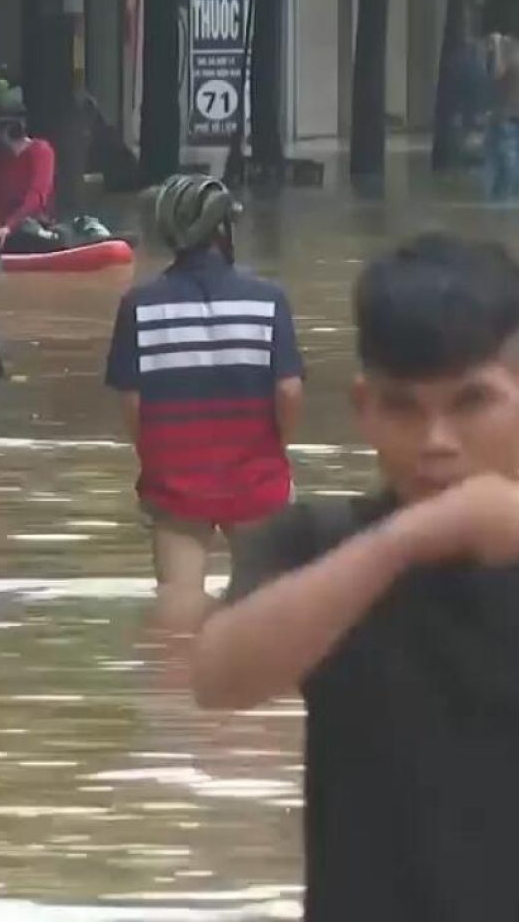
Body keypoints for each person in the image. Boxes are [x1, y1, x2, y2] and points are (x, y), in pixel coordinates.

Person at [193, 233, 519, 920]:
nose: (437, 441)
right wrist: (401, 541)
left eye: (471, 403)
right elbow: (220, 678)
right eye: (404, 407)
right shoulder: (314, 542)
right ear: (365, 408)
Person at [105, 174, 304, 630]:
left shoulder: (139, 306)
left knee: (176, 617)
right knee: (265, 617)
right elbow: (289, 392)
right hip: (258, 479)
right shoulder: (269, 301)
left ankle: (179, 699)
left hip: (175, 484)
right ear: (223, 232)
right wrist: (277, 449)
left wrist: (157, 461)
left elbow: (133, 405)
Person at [0, 90, 56, 250]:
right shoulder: (1, 159)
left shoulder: (40, 151)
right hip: (4, 234)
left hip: (33, 229)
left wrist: (10, 225)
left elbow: (37, 195)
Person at [485, 31, 519, 199]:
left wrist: (498, 45)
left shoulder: (511, 51)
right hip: (508, 117)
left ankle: (501, 208)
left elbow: (497, 73)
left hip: (507, 117)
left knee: (506, 167)